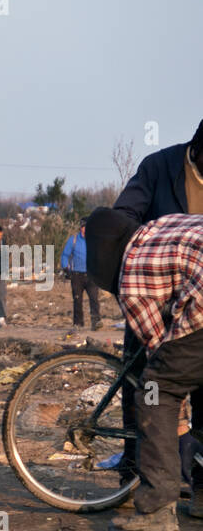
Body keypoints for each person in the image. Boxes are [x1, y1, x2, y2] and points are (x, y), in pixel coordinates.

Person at [91, 119, 203, 506]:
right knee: (146, 384)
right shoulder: (159, 167)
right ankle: (139, 477)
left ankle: (192, 480)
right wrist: (153, 253)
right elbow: (123, 221)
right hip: (152, 291)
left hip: (196, 298)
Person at [107, 213, 203, 531]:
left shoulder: (130, 279)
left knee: (155, 389)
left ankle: (158, 509)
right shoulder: (162, 225)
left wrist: (177, 417)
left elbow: (157, 348)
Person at [60, 219, 99, 329]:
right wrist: (66, 268)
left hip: (92, 275)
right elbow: (65, 255)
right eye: (83, 227)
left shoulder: (95, 240)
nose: (85, 229)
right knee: (77, 300)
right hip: (77, 275)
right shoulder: (73, 240)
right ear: (80, 228)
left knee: (94, 299)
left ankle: (96, 322)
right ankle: (78, 323)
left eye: (88, 227)